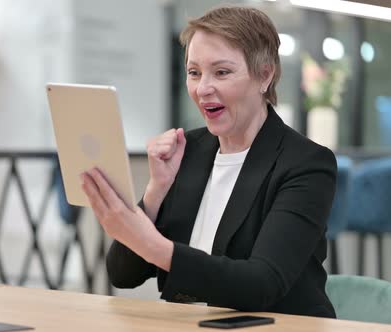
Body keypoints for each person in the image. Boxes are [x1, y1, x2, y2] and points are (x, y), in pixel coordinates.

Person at [80, 5, 336, 318]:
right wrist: (156, 191)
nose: (203, 89)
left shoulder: (306, 164)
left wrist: (152, 244)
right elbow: (123, 274)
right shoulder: (187, 150)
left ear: (265, 75)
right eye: (194, 72)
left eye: (222, 72)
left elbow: (261, 285)